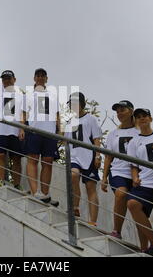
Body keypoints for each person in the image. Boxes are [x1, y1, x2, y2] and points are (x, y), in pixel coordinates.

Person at [126, 108, 153, 257]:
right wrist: (134, 177)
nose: (142, 119)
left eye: (144, 116)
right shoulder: (134, 142)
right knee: (133, 205)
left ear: (150, 118)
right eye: (138, 117)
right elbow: (133, 165)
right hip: (146, 183)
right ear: (135, 121)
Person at [101, 100, 139, 239]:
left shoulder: (139, 131)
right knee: (121, 194)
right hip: (118, 171)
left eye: (122, 110)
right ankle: (117, 231)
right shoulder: (113, 134)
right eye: (117, 111)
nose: (119, 113)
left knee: (138, 207)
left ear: (131, 111)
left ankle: (146, 246)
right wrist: (104, 178)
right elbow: (108, 157)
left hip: (138, 174)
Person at [23, 68, 60, 206]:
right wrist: (22, 129)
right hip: (34, 130)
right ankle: (35, 192)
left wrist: (59, 131)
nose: (40, 78)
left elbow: (57, 114)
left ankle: (45, 194)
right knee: (33, 159)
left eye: (42, 75)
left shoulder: (53, 95)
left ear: (46, 78)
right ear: (34, 78)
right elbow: (23, 113)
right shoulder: (28, 95)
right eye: (38, 75)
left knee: (48, 161)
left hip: (49, 132)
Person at [65, 92, 102, 226]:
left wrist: (98, 155)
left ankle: (93, 221)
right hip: (74, 156)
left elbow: (97, 138)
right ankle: (75, 207)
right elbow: (67, 142)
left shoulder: (91, 119)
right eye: (71, 103)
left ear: (82, 104)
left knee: (90, 188)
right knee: (73, 175)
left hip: (89, 156)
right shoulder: (69, 122)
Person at [0, 70, 25, 189]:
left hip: (15, 129)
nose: (6, 81)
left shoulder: (21, 94)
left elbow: (23, 113)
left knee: (16, 158)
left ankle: (17, 184)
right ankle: (1, 180)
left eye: (9, 78)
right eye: (4, 79)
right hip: (0, 128)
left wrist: (22, 129)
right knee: (0, 155)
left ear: (14, 79)